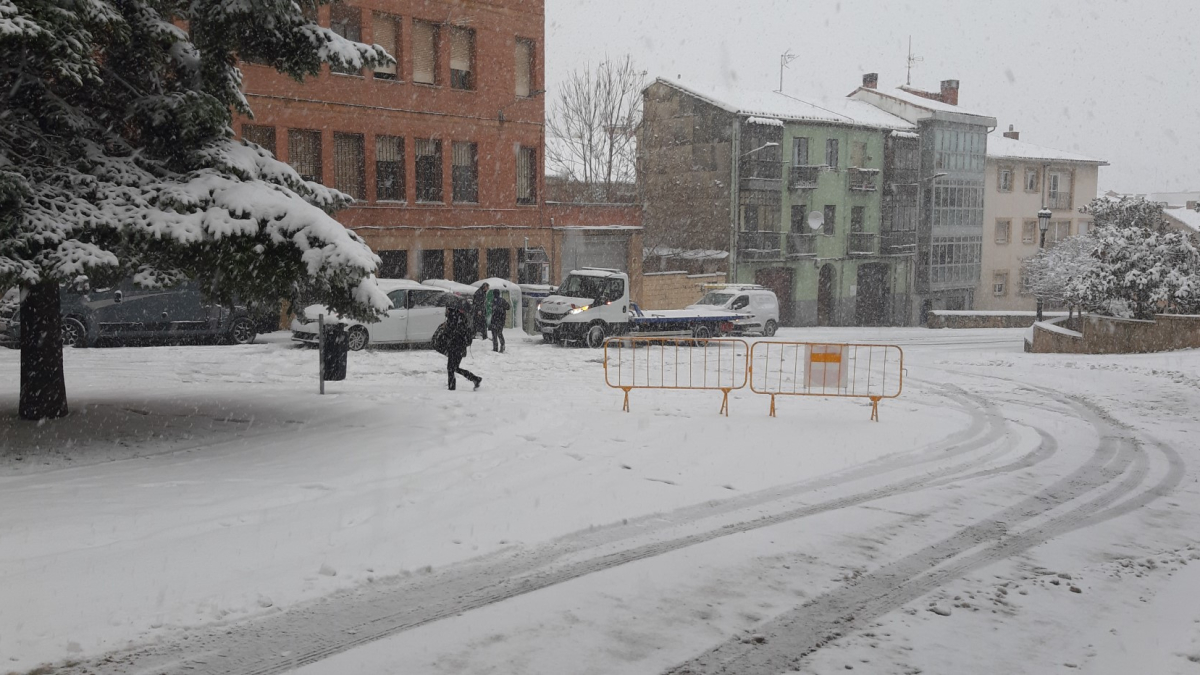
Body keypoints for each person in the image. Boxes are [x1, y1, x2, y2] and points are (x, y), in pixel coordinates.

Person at [443, 298, 482, 391]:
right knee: (454, 368)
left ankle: (452, 387)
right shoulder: (461, 317)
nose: (446, 311)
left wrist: (446, 329)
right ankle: (474, 378)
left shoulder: (454, 318)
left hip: (455, 346)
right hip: (460, 347)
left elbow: (451, 333)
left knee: (451, 368)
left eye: (447, 309)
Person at [489, 288, 510, 353]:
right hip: (500, 320)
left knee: (495, 334)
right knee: (499, 333)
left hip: (496, 320)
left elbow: (493, 312)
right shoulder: (502, 300)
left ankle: (496, 347)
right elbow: (508, 307)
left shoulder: (494, 301)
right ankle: (502, 345)